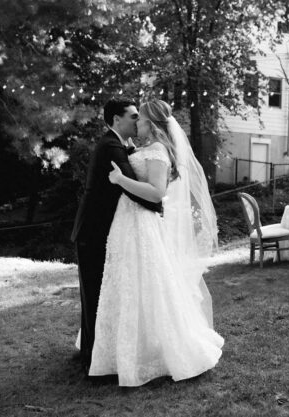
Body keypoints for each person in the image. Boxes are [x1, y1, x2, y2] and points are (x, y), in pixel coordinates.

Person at [88, 99, 223, 387]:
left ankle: (160, 351)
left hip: (141, 224)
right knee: (127, 283)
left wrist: (120, 180)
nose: (136, 122)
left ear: (151, 123)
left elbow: (155, 193)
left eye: (141, 119)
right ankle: (122, 350)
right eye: (134, 118)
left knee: (149, 284)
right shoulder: (142, 149)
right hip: (125, 222)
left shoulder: (159, 150)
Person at [70, 99, 162, 373]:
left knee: (100, 293)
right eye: (133, 116)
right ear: (116, 119)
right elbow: (134, 185)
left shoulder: (121, 144)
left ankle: (96, 350)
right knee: (94, 294)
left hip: (105, 230)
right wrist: (158, 204)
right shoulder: (110, 145)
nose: (138, 120)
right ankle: (92, 355)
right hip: (94, 230)